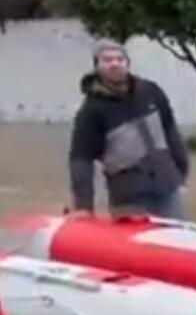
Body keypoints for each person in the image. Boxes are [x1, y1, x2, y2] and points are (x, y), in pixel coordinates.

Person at [69, 40, 189, 218]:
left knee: (179, 238)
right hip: (129, 197)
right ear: (97, 66)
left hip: (168, 186)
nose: (115, 64)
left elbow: (170, 129)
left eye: (120, 59)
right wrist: (83, 206)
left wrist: (181, 169)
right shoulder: (91, 111)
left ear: (127, 63)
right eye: (107, 60)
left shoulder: (151, 91)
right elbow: (81, 159)